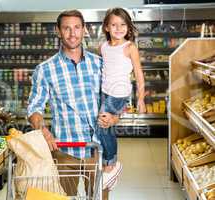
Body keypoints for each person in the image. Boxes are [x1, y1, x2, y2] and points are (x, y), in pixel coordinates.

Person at [27, 9, 118, 200]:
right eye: (66, 28)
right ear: (58, 32)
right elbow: (34, 107)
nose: (72, 33)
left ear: (84, 30)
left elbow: (117, 98)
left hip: (98, 150)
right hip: (64, 151)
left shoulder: (100, 64)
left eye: (77, 27)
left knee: (99, 198)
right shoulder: (45, 70)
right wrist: (42, 129)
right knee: (63, 198)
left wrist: (115, 116)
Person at [97, 8, 146, 190]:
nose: (118, 28)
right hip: (104, 91)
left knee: (104, 124)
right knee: (104, 126)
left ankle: (112, 164)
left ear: (128, 27)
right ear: (107, 27)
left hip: (119, 93)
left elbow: (139, 73)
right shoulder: (103, 47)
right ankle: (107, 163)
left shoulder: (129, 47)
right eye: (114, 25)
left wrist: (140, 99)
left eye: (123, 24)